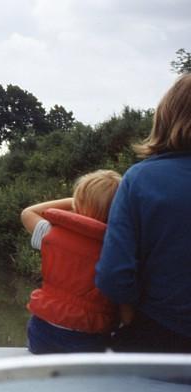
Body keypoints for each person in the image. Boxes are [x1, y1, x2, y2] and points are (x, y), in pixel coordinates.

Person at [95, 74, 191, 353]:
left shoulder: (140, 180)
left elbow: (114, 277)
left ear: (167, 116)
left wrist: (130, 313)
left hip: (160, 339)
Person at [21, 170, 122, 354]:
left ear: (78, 203)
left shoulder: (51, 233)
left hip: (42, 331)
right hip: (89, 336)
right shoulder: (119, 249)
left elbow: (28, 212)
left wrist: (74, 201)